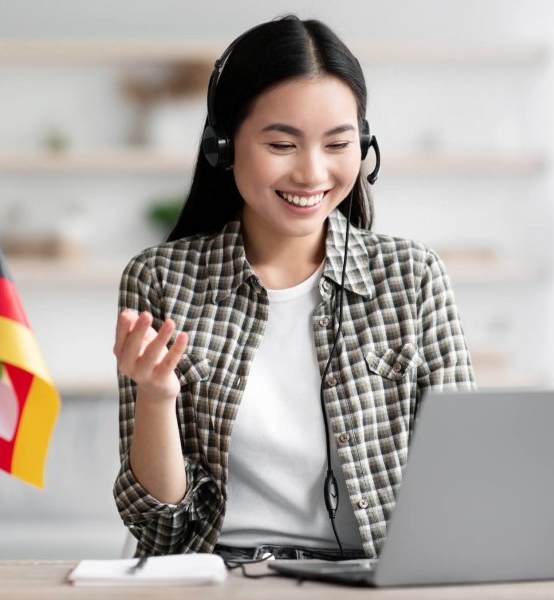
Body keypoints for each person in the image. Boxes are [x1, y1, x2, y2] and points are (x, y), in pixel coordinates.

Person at [113, 14, 475, 562]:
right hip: (223, 577)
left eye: (337, 144)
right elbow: (161, 536)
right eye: (282, 144)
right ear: (224, 145)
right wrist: (158, 398)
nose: (312, 173)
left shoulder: (413, 276)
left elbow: (465, 483)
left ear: (365, 148)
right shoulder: (161, 279)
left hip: (377, 581)